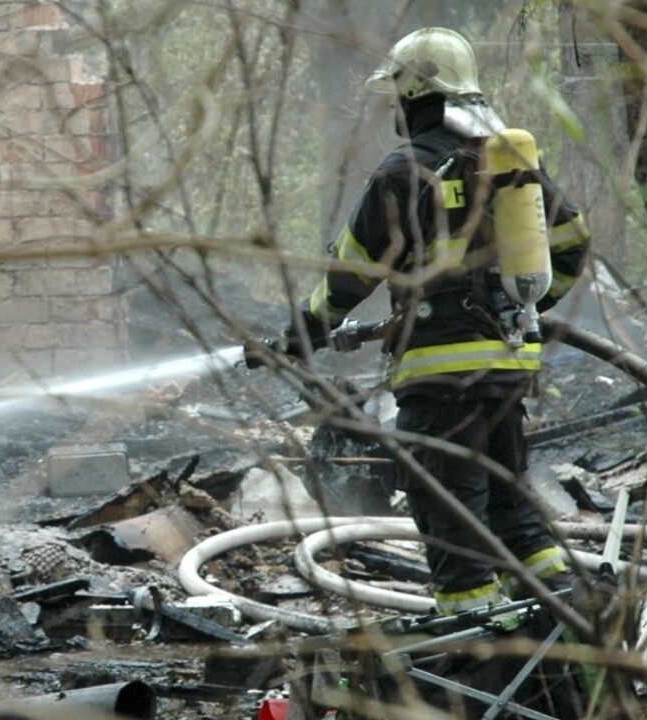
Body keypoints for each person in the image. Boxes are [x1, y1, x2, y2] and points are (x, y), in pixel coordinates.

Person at [247, 27, 591, 615]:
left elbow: (349, 277)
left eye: (397, 98)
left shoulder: (403, 170)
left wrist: (300, 336)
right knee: (508, 501)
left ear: (415, 94)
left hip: (439, 381)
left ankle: (475, 655)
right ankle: (570, 617)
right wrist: (528, 306)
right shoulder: (508, 162)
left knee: (448, 513)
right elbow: (573, 242)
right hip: (510, 369)